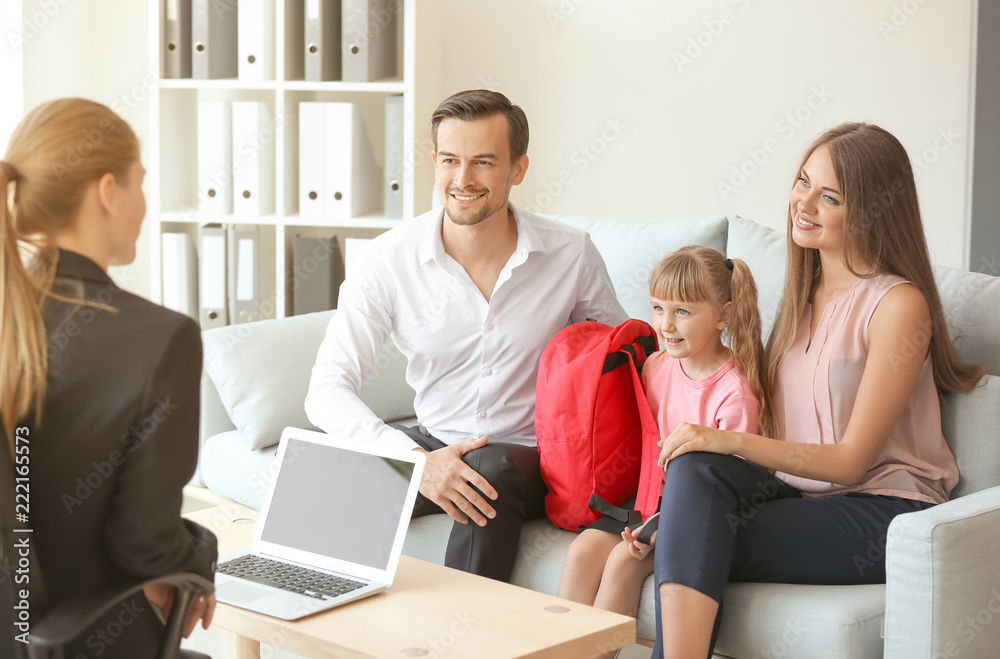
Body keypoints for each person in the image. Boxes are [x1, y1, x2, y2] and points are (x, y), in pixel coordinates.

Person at [649, 123, 985, 658]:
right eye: (802, 182)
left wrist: (726, 440)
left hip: (883, 510)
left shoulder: (898, 305)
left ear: (871, 210)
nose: (802, 203)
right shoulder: (800, 296)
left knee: (692, 533)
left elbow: (852, 463)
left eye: (828, 196)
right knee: (693, 474)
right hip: (801, 498)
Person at [305, 89, 627, 582]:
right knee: (319, 469)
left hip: (530, 458)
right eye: (450, 161)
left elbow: (620, 363)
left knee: (486, 470)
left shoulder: (571, 254)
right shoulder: (388, 259)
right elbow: (327, 389)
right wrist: (417, 461)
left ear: (517, 169)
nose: (463, 180)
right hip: (434, 440)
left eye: (483, 162)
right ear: (434, 161)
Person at [0, 98, 217, 657]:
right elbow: (144, 547)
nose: (144, 203)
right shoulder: (160, 338)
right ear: (107, 191)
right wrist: (199, 553)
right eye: (140, 182)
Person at [557, 246, 772, 653]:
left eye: (683, 312)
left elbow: (732, 489)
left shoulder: (734, 392)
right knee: (583, 550)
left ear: (724, 315)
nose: (666, 325)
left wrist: (658, 528)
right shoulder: (655, 367)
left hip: (695, 522)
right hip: (646, 506)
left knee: (623, 560)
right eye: (658, 308)